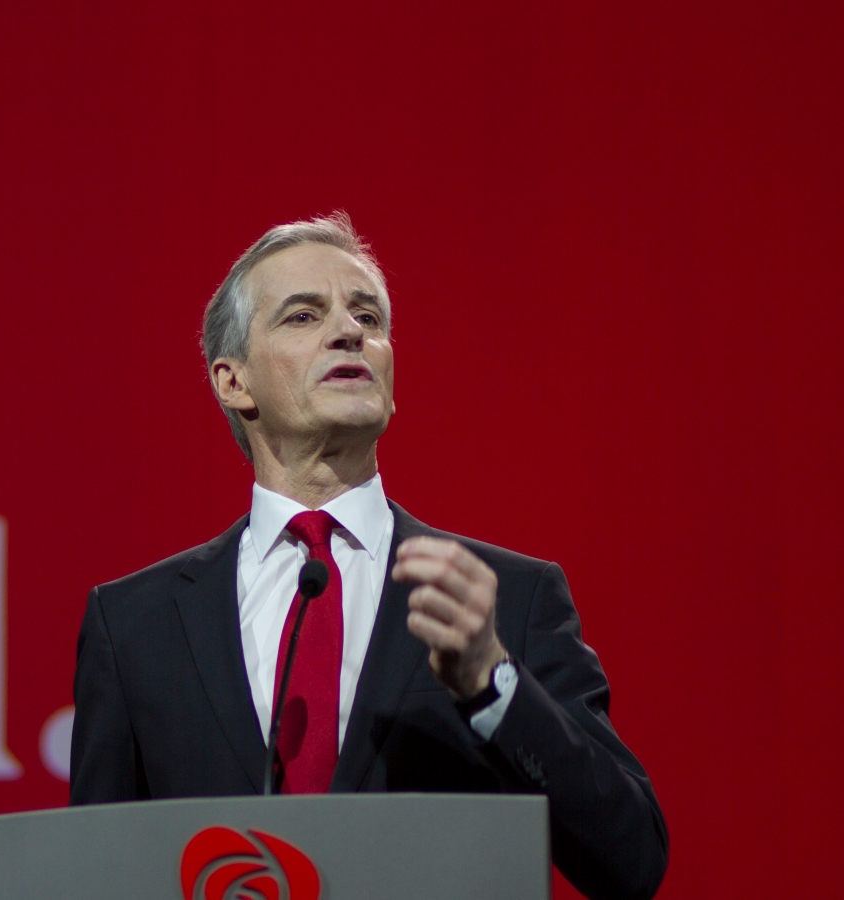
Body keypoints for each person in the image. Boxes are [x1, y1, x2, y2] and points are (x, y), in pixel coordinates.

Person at [68, 212, 668, 900]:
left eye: (368, 316)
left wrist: (492, 684)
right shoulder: (135, 624)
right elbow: (95, 870)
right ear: (233, 382)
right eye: (302, 315)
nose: (350, 331)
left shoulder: (508, 598)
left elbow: (633, 859)